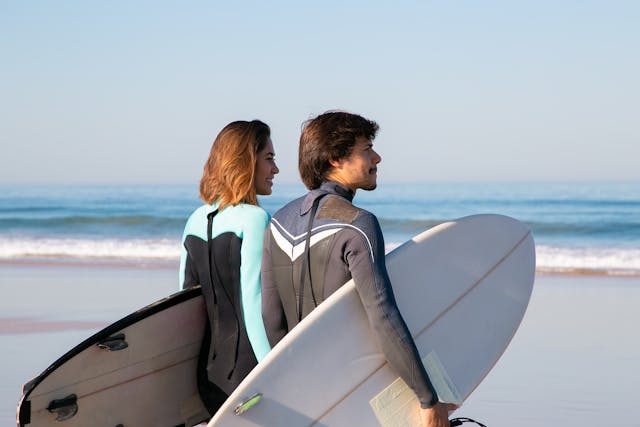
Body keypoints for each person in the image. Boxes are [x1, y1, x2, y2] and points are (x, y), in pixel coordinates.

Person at [261, 111, 456, 427]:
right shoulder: (358, 224)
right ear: (336, 158)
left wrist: (295, 387)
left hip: (305, 395)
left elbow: (272, 319)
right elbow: (382, 317)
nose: (377, 157)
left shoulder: (277, 222)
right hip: (356, 392)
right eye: (366, 149)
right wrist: (428, 399)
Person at [179, 120, 279, 417]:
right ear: (247, 161)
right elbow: (253, 302)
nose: (275, 169)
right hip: (248, 371)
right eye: (269, 159)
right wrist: (273, 370)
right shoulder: (255, 218)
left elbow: (183, 307)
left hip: (207, 377)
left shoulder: (193, 220)